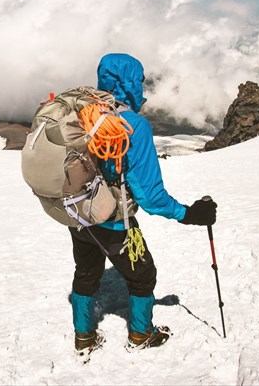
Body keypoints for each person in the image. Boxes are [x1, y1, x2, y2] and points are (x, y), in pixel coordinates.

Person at [70, 53, 217, 354]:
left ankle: (84, 337)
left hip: (76, 213)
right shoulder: (132, 124)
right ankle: (140, 335)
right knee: (142, 276)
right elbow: (150, 196)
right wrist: (188, 214)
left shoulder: (81, 112)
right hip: (113, 220)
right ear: (129, 83)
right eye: (139, 80)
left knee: (86, 272)